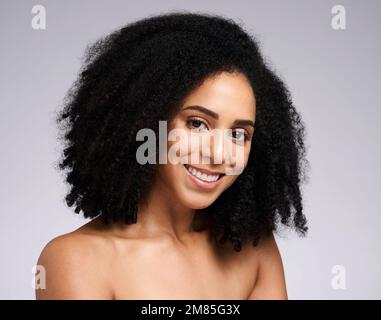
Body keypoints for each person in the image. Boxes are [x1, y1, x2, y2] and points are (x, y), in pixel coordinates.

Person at [36, 12, 309, 300]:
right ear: (146, 121)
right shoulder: (77, 261)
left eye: (238, 134)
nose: (218, 154)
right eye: (196, 124)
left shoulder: (252, 247)